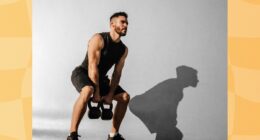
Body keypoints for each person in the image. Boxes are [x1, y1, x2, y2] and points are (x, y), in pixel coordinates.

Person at [67, 12, 130, 140]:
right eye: (122, 22)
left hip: (101, 78)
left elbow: (117, 74)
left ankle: (113, 135)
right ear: (112, 24)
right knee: (88, 90)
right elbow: (92, 66)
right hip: (83, 73)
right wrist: (97, 93)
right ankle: (72, 135)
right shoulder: (99, 39)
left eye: (127, 23)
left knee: (125, 97)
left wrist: (111, 94)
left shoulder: (123, 49)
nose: (126, 25)